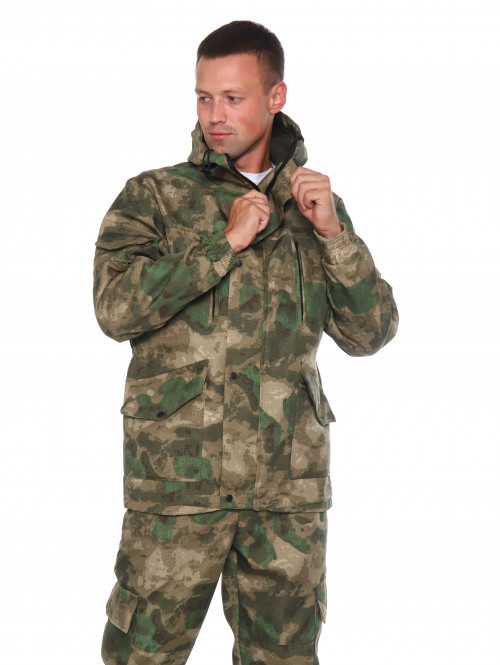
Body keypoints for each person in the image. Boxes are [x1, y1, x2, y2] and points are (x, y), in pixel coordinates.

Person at [94, 20, 398, 665]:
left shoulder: (315, 207)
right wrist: (221, 244)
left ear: (275, 97)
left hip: (286, 495)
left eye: (233, 98)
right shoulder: (155, 197)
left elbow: (369, 334)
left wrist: (335, 236)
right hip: (178, 490)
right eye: (204, 97)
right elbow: (114, 309)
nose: (215, 115)